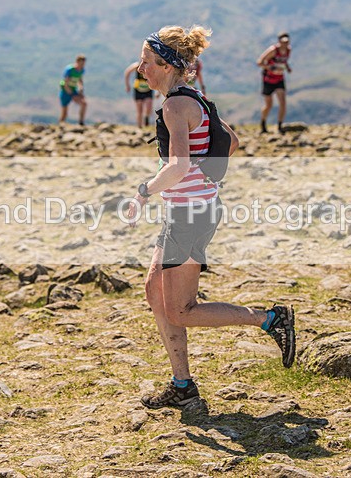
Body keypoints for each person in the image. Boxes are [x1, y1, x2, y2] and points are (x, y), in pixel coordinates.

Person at [126, 25, 296, 409]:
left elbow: (178, 166)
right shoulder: (195, 98)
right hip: (192, 210)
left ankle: (269, 319)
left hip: (190, 215)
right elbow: (231, 142)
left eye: (147, 61)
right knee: (155, 289)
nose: (140, 69)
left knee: (180, 310)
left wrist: (143, 192)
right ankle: (181, 385)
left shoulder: (174, 105)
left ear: (167, 66)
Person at [256, 32, 292, 134]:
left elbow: (284, 61)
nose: (285, 44)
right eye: (283, 42)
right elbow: (259, 62)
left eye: (287, 42)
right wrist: (269, 67)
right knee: (269, 105)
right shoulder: (273, 51)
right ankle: (263, 123)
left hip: (279, 79)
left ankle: (280, 126)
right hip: (268, 80)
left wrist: (287, 68)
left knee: (283, 103)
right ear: (279, 41)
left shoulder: (289, 50)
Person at [124, 61, 154, 128]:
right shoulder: (136, 65)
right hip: (138, 89)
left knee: (149, 106)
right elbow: (127, 72)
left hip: (148, 89)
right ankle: (139, 126)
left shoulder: (151, 65)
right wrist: (127, 85)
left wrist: (159, 91)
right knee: (139, 109)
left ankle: (146, 119)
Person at [58, 55, 87, 125]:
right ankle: (60, 125)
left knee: (84, 104)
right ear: (77, 62)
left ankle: (81, 122)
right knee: (65, 113)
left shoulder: (82, 70)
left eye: (83, 63)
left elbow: (80, 80)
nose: (82, 65)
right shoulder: (70, 69)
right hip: (65, 91)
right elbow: (66, 83)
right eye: (81, 63)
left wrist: (81, 88)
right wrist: (71, 94)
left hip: (74, 89)